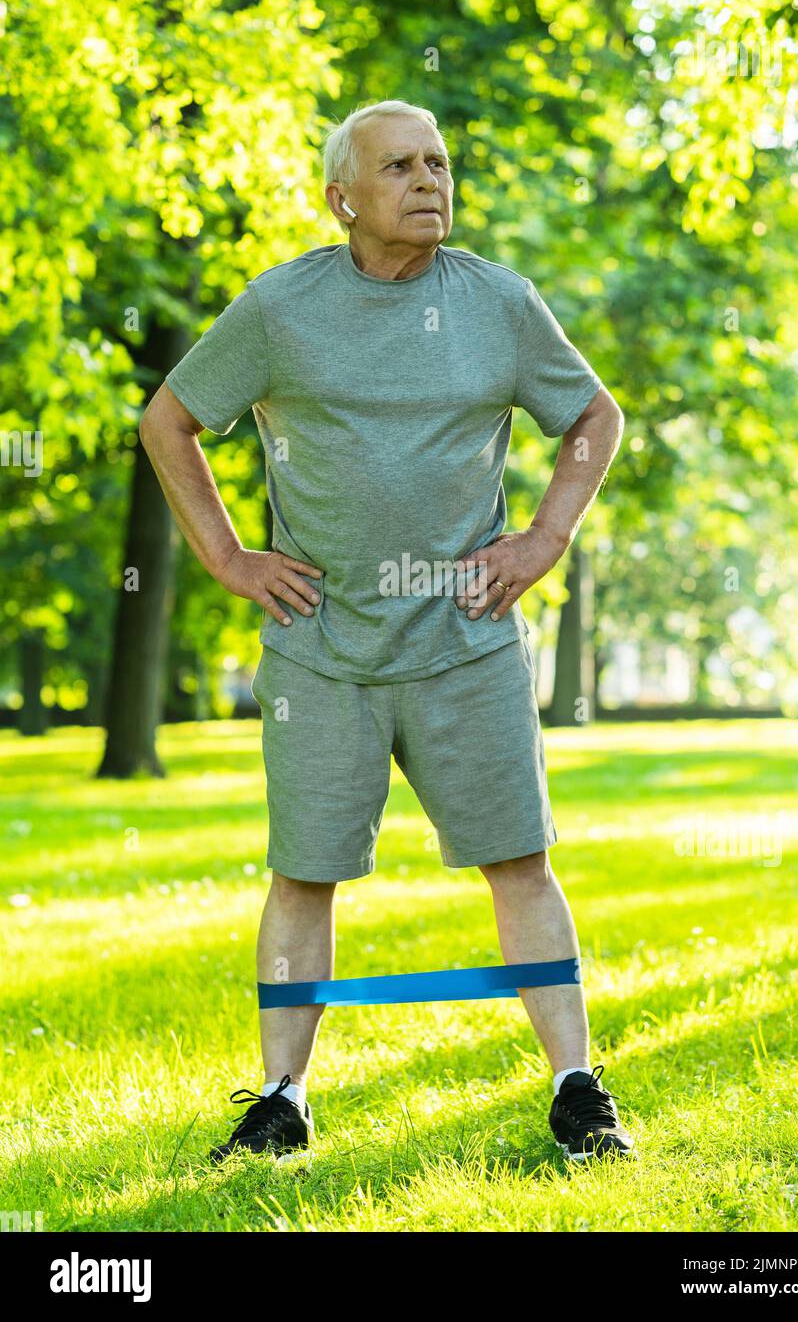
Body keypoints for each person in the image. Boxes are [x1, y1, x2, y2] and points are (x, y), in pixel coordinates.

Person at [140, 98, 634, 1165]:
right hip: (321, 650)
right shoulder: (279, 309)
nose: (428, 182)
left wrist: (544, 537)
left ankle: (576, 1087)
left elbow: (595, 415)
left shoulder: (499, 304)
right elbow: (167, 420)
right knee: (304, 870)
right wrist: (229, 557)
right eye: (400, 167)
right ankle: (280, 1097)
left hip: (465, 640)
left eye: (438, 164)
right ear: (342, 198)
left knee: (520, 861)